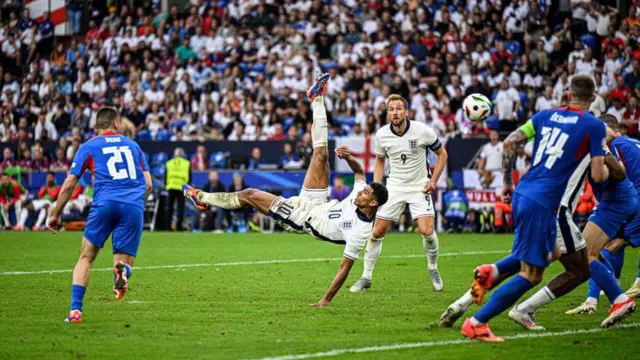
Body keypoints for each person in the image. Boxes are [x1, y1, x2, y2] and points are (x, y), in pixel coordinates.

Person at [184, 74, 388, 306]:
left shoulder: (360, 232)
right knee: (321, 155)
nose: (360, 192)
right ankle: (317, 98)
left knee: (250, 194)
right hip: (318, 202)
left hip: (303, 218)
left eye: (365, 194)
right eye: (363, 191)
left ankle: (200, 197)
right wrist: (349, 158)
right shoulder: (360, 195)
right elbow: (360, 174)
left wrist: (326, 300)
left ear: (373, 204)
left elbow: (344, 268)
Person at [456, 75, 626, 342]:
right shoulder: (593, 125)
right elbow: (598, 175)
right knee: (532, 274)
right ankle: (477, 322)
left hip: (523, 192)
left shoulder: (545, 116)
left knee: (554, 253)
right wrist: (608, 167)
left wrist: (506, 181)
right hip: (546, 202)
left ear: (568, 94)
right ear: (594, 98)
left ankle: (493, 272)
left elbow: (510, 141)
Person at [47, 107, 153, 323]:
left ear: (97, 126)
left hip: (104, 204)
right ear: (116, 124)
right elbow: (149, 184)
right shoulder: (133, 146)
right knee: (123, 264)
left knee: (86, 257)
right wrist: (135, 206)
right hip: (132, 205)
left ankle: (75, 312)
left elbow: (69, 183)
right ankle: (123, 274)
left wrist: (55, 213)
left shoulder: (89, 146)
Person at [349, 93, 448, 293]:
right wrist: (376, 187)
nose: (395, 113)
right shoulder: (382, 135)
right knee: (376, 232)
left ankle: (433, 268)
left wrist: (433, 180)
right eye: (391, 109)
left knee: (427, 231)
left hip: (420, 186)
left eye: (398, 109)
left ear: (406, 112)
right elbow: (379, 160)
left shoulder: (422, 131)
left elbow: (442, 154)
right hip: (394, 186)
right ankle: (366, 277)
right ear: (387, 113)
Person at [565, 117, 640, 313]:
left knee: (604, 247)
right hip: (631, 200)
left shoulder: (615, 144)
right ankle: (617, 295)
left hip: (633, 201)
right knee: (614, 245)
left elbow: (618, 172)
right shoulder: (633, 142)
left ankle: (594, 300)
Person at [165, 147, 191, 231]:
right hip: (181, 188)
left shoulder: (169, 163)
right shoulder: (187, 163)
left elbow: (166, 176)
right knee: (181, 209)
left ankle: (168, 227)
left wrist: (167, 185)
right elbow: (190, 177)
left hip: (171, 187)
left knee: (169, 208)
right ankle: (179, 226)